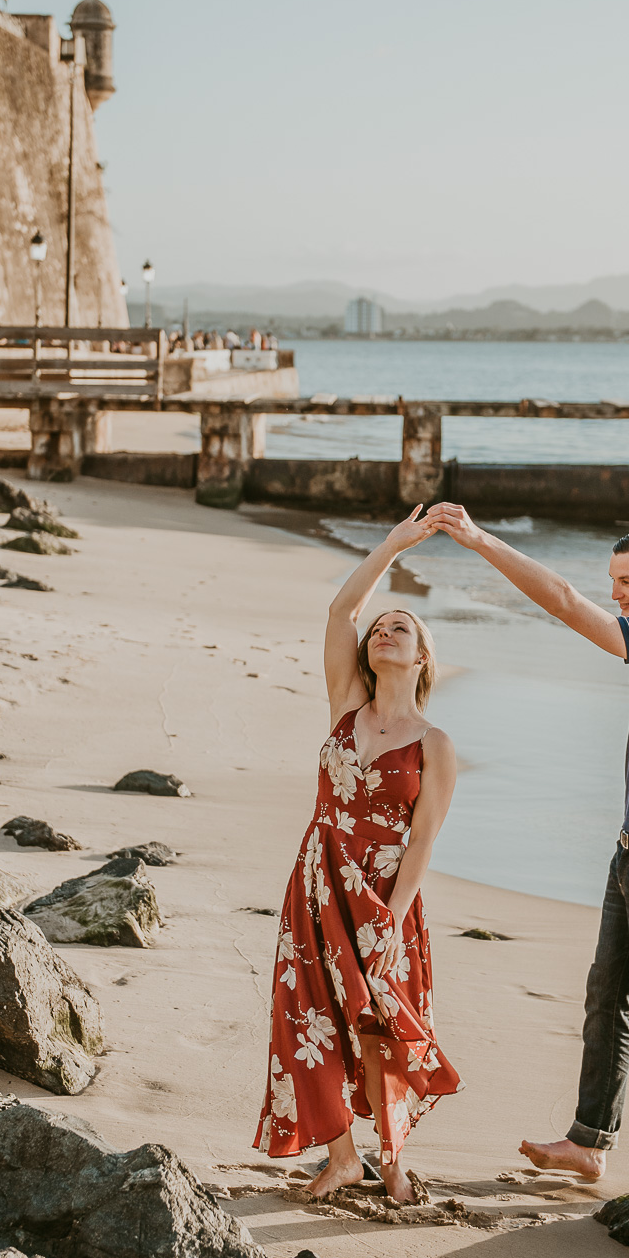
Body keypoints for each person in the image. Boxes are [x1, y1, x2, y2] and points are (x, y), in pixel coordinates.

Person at [426, 507, 629, 1199]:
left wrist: (480, 540)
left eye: (627, 581)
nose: (615, 594)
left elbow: (565, 605)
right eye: (612, 580)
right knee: (608, 995)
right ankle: (589, 1141)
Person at [254, 506, 463, 1201]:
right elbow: (343, 609)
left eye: (399, 627)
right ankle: (343, 1157)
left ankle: (392, 1156)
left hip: (381, 897)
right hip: (317, 886)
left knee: (382, 1024)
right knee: (306, 1013)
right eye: (380, 629)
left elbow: (425, 837)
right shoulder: (345, 703)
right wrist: (395, 544)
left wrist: (392, 919)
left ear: (422, 654)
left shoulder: (434, 744)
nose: (383, 632)